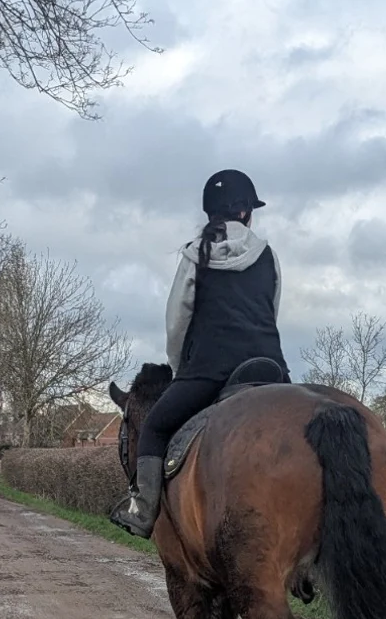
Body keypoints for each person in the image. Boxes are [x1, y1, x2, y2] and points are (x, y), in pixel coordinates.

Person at [113, 169, 288, 537]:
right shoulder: (268, 255)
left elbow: (177, 321)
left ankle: (142, 511)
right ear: (246, 213)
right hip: (270, 369)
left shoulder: (195, 256)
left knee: (156, 428)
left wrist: (181, 370)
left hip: (210, 370)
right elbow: (271, 310)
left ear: (211, 214)